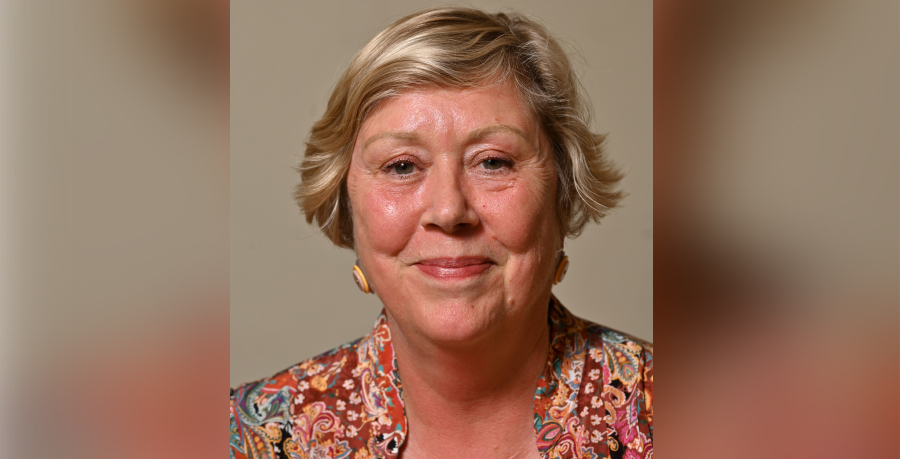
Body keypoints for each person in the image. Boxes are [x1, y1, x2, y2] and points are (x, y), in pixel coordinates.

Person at [230, 7, 652, 459]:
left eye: (493, 162)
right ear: (345, 201)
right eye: (402, 166)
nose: (450, 211)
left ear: (563, 193)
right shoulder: (247, 437)